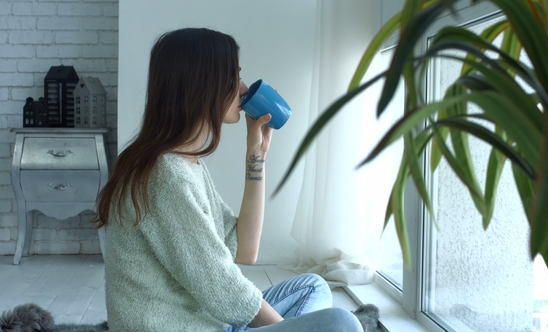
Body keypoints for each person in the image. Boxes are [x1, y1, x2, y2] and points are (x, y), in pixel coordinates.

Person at [93, 27, 363, 332]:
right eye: (233, 77)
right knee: (342, 323)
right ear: (202, 84)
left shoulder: (184, 164)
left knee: (314, 287)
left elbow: (244, 249)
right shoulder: (165, 176)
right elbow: (223, 290)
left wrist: (256, 157)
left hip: (208, 320)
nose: (244, 87)